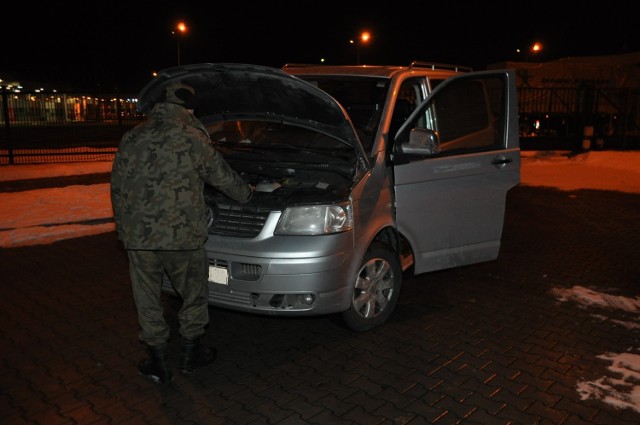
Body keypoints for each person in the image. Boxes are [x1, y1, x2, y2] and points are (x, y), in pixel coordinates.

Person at [110, 82, 253, 384]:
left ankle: (159, 363)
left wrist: (124, 231)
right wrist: (248, 195)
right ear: (188, 108)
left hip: (139, 239)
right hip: (182, 237)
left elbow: (118, 189)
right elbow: (223, 178)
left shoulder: (132, 136)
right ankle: (191, 357)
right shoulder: (193, 137)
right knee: (193, 296)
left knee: (147, 299)